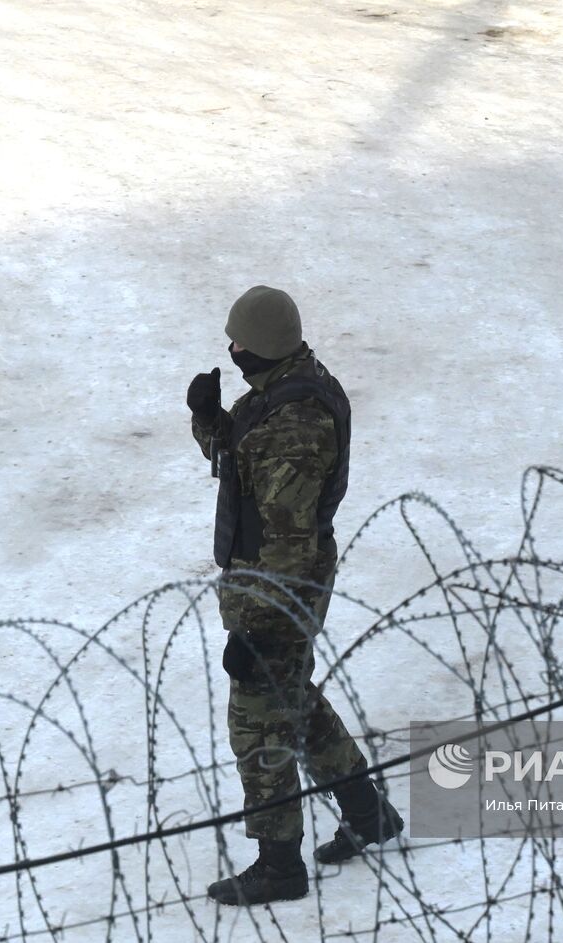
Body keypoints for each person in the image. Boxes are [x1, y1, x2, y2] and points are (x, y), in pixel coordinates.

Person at [187, 285, 403, 906]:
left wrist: (261, 629)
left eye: (239, 341)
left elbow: (288, 534)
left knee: (256, 727)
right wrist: (211, 420)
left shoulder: (296, 423)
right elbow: (241, 467)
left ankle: (278, 865)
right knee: (292, 702)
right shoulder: (279, 393)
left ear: (264, 344)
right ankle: (369, 814)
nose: (231, 350)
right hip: (269, 581)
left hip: (276, 588)